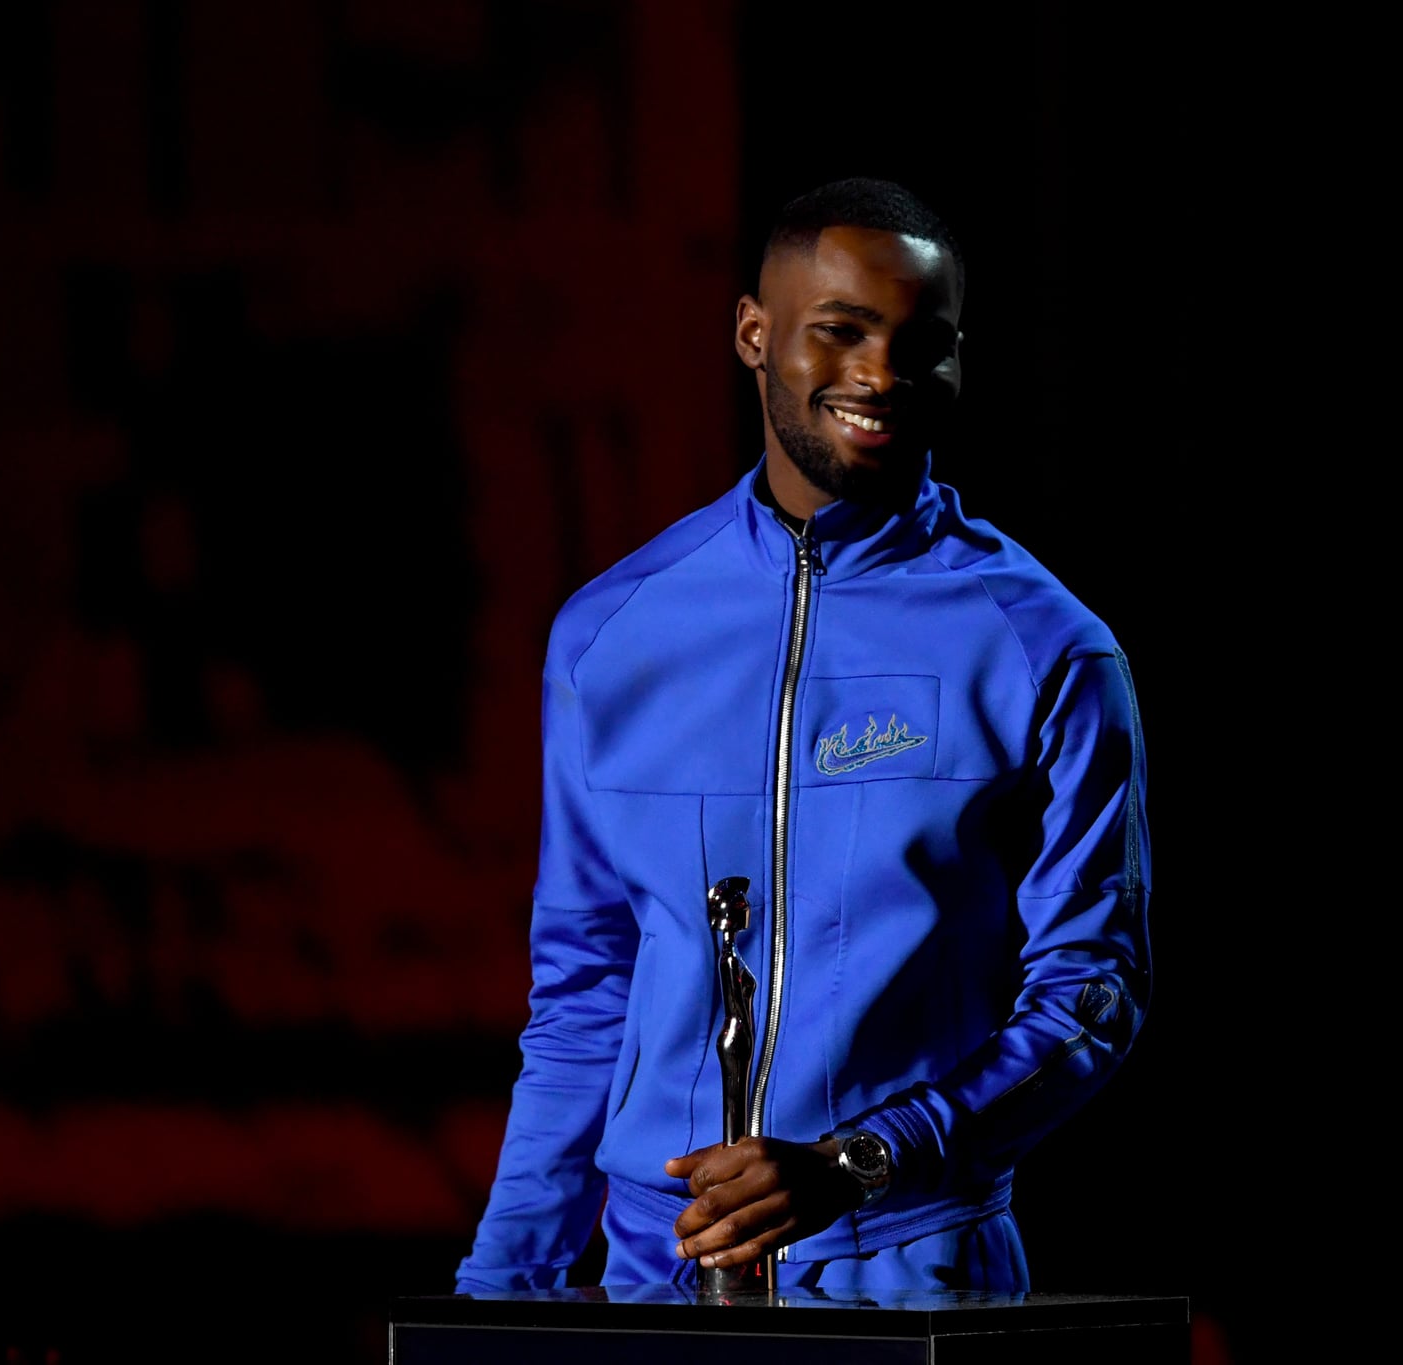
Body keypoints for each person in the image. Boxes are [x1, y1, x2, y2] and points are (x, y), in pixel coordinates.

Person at [454, 176, 1153, 1294]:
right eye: (841, 331)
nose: (879, 375)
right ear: (752, 333)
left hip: (914, 1274)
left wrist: (864, 1162)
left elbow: (1091, 995)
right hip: (656, 1280)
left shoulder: (1045, 647)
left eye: (920, 343)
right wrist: (500, 1289)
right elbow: (585, 986)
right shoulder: (611, 633)